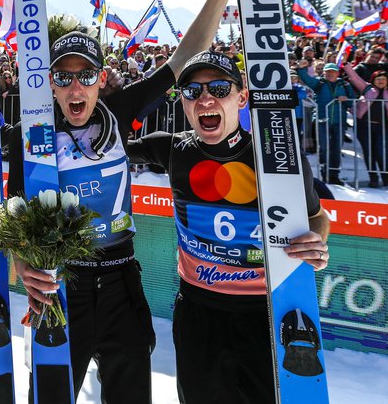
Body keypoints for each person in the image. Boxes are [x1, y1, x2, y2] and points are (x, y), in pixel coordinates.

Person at [7, 0, 252, 403]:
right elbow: (13, 210)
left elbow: (184, 61)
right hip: (63, 285)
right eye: (62, 77)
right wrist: (21, 260)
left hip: (122, 284)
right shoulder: (32, 132)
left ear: (102, 79)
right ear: (50, 84)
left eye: (85, 76)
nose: (74, 87)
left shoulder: (118, 112)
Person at [126, 50, 331, 404]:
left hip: (265, 315)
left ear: (241, 97)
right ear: (184, 103)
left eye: (219, 88)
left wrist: (318, 240)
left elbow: (317, 216)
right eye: (192, 91)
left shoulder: (277, 157)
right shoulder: (173, 149)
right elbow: (105, 140)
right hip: (197, 312)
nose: (205, 98)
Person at [297, 61, 354, 185]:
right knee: (323, 148)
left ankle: (334, 174)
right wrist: (302, 68)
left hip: (339, 121)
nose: (330, 74)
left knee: (337, 148)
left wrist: (346, 99)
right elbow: (306, 79)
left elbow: (351, 101)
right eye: (328, 72)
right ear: (324, 73)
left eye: (333, 71)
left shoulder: (344, 85)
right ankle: (325, 173)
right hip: (322, 120)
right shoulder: (320, 83)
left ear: (337, 73)